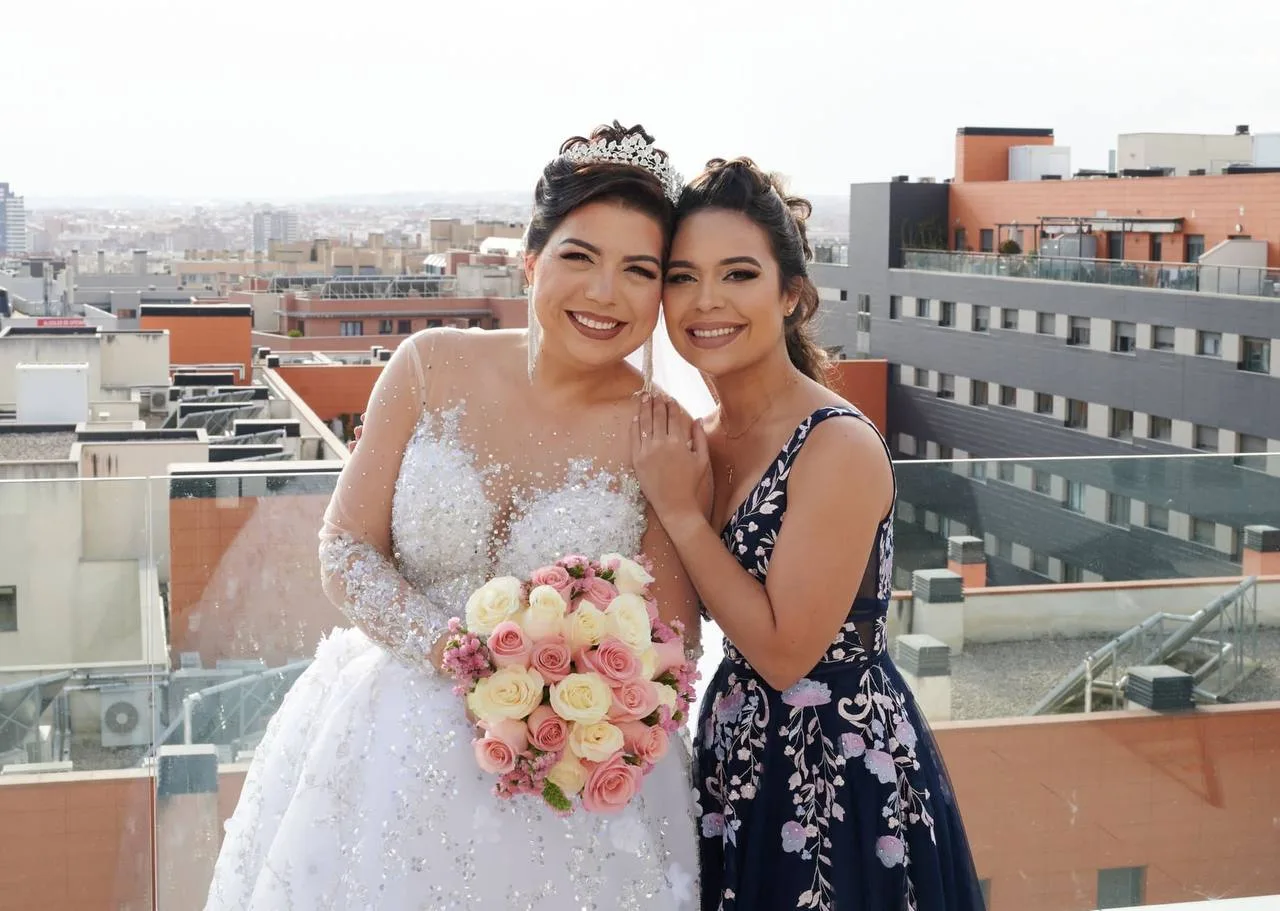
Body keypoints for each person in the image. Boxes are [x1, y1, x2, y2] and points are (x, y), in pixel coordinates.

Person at [205, 122, 702, 910]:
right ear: (533, 260)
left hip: (565, 781)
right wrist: (456, 651)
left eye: (638, 270)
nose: (606, 293)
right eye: (580, 257)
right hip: (383, 747)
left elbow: (671, 642)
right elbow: (344, 548)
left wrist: (559, 698)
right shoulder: (429, 365)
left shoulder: (663, 430)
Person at [631, 157, 985, 911]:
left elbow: (788, 652)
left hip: (843, 778)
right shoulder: (695, 441)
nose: (707, 301)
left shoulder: (835, 445)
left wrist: (682, 512)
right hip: (737, 754)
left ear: (790, 293)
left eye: (738, 274)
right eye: (684, 277)